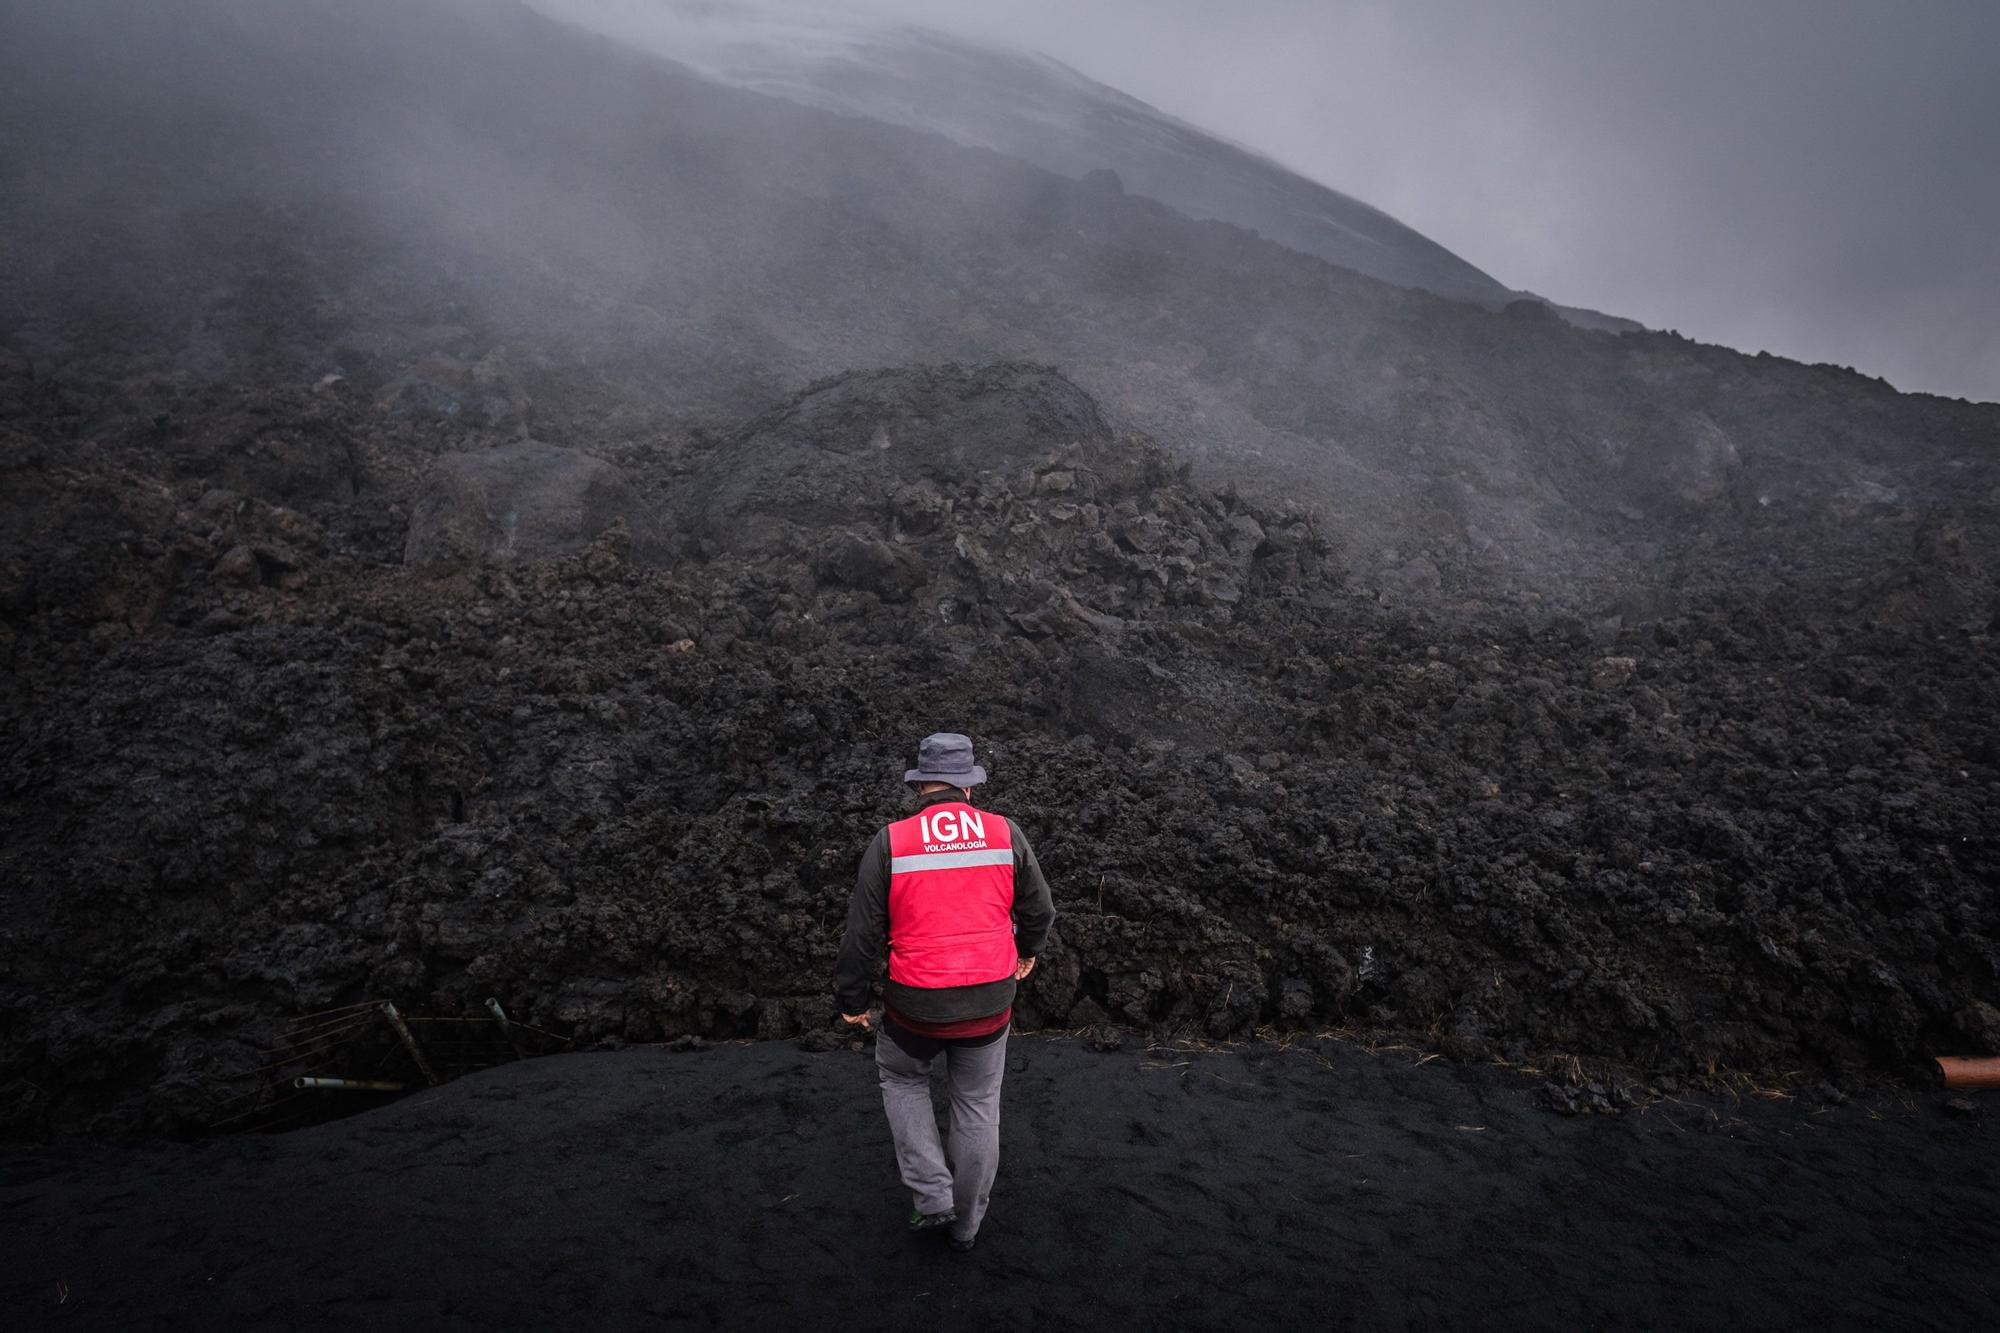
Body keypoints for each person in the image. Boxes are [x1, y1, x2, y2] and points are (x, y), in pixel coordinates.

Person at [835, 732, 1056, 1254]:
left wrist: (851, 1000)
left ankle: (933, 1197)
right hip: (988, 1002)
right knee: (977, 1103)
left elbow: (862, 933)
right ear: (969, 788)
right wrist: (1028, 949)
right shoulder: (1006, 833)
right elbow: (1039, 909)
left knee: (902, 1079)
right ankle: (967, 1228)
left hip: (914, 1006)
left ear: (921, 788)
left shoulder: (892, 841)